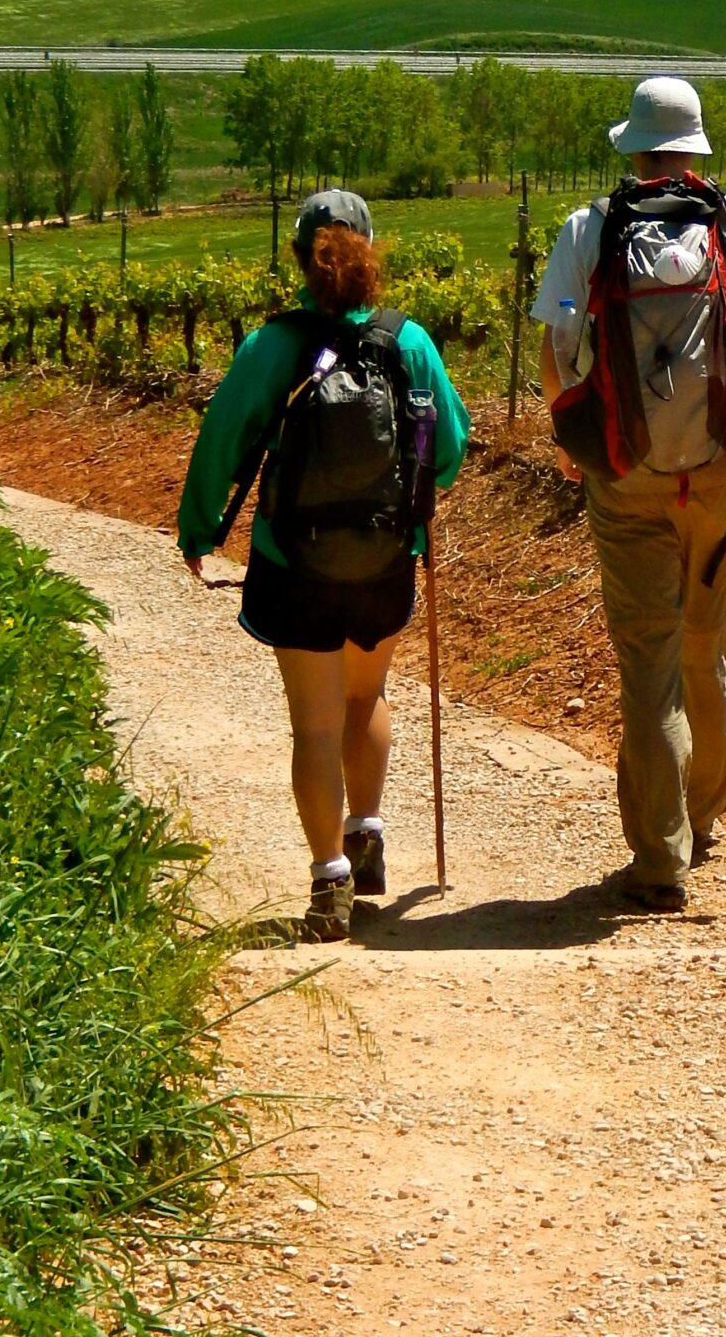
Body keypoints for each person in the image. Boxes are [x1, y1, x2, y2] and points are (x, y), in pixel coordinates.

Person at [534, 75, 726, 913]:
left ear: (631, 147)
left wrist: (579, 446)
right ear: (697, 145)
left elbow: (556, 352)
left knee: (648, 665)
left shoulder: (587, 229)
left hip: (627, 473)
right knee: (705, 644)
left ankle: (658, 860)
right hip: (722, 471)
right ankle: (701, 819)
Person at [177, 191, 469, 941]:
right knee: (365, 697)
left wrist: (199, 529)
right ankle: (366, 833)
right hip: (383, 558)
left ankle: (329, 884)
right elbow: (452, 448)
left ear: (302, 257)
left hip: (292, 560)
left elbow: (223, 442)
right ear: (370, 246)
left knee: (313, 724)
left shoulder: (272, 346)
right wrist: (405, 504)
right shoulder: (408, 342)